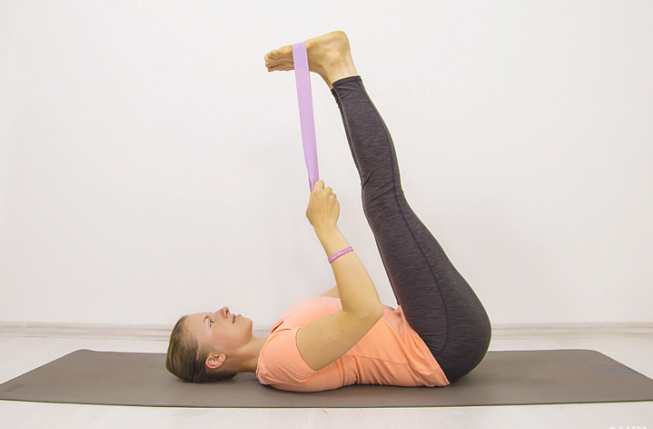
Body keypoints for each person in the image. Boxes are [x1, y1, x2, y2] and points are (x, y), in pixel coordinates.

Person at [166, 31, 491, 391]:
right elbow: (365, 310)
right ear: (214, 360)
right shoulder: (277, 362)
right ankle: (337, 67)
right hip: (440, 347)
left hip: (427, 328)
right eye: (211, 322)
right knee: (382, 201)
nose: (222, 310)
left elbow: (348, 292)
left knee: (381, 201)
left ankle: (331, 68)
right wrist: (325, 228)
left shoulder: (281, 332)